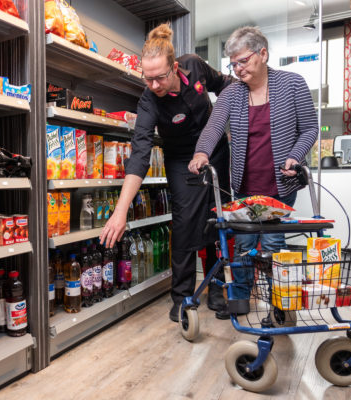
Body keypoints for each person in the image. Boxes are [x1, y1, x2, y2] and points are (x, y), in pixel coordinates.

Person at [99, 23, 235, 321]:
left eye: (160, 77)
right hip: (180, 159)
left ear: (175, 67)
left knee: (217, 219)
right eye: (148, 79)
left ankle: (216, 288)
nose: (155, 85)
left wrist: (233, 116)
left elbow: (226, 84)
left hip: (217, 151)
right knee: (185, 224)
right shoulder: (149, 101)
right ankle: (183, 295)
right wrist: (121, 211)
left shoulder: (195, 66)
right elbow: (139, 155)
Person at [189, 26, 318, 301]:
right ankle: (241, 297)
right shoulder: (232, 94)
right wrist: (202, 153)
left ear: (263, 53)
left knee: (272, 242)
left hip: (281, 183)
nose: (237, 68)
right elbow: (213, 128)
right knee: (245, 242)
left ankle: (279, 300)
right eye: (232, 63)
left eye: (243, 61)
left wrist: (295, 155)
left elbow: (309, 128)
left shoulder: (292, 83)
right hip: (246, 184)